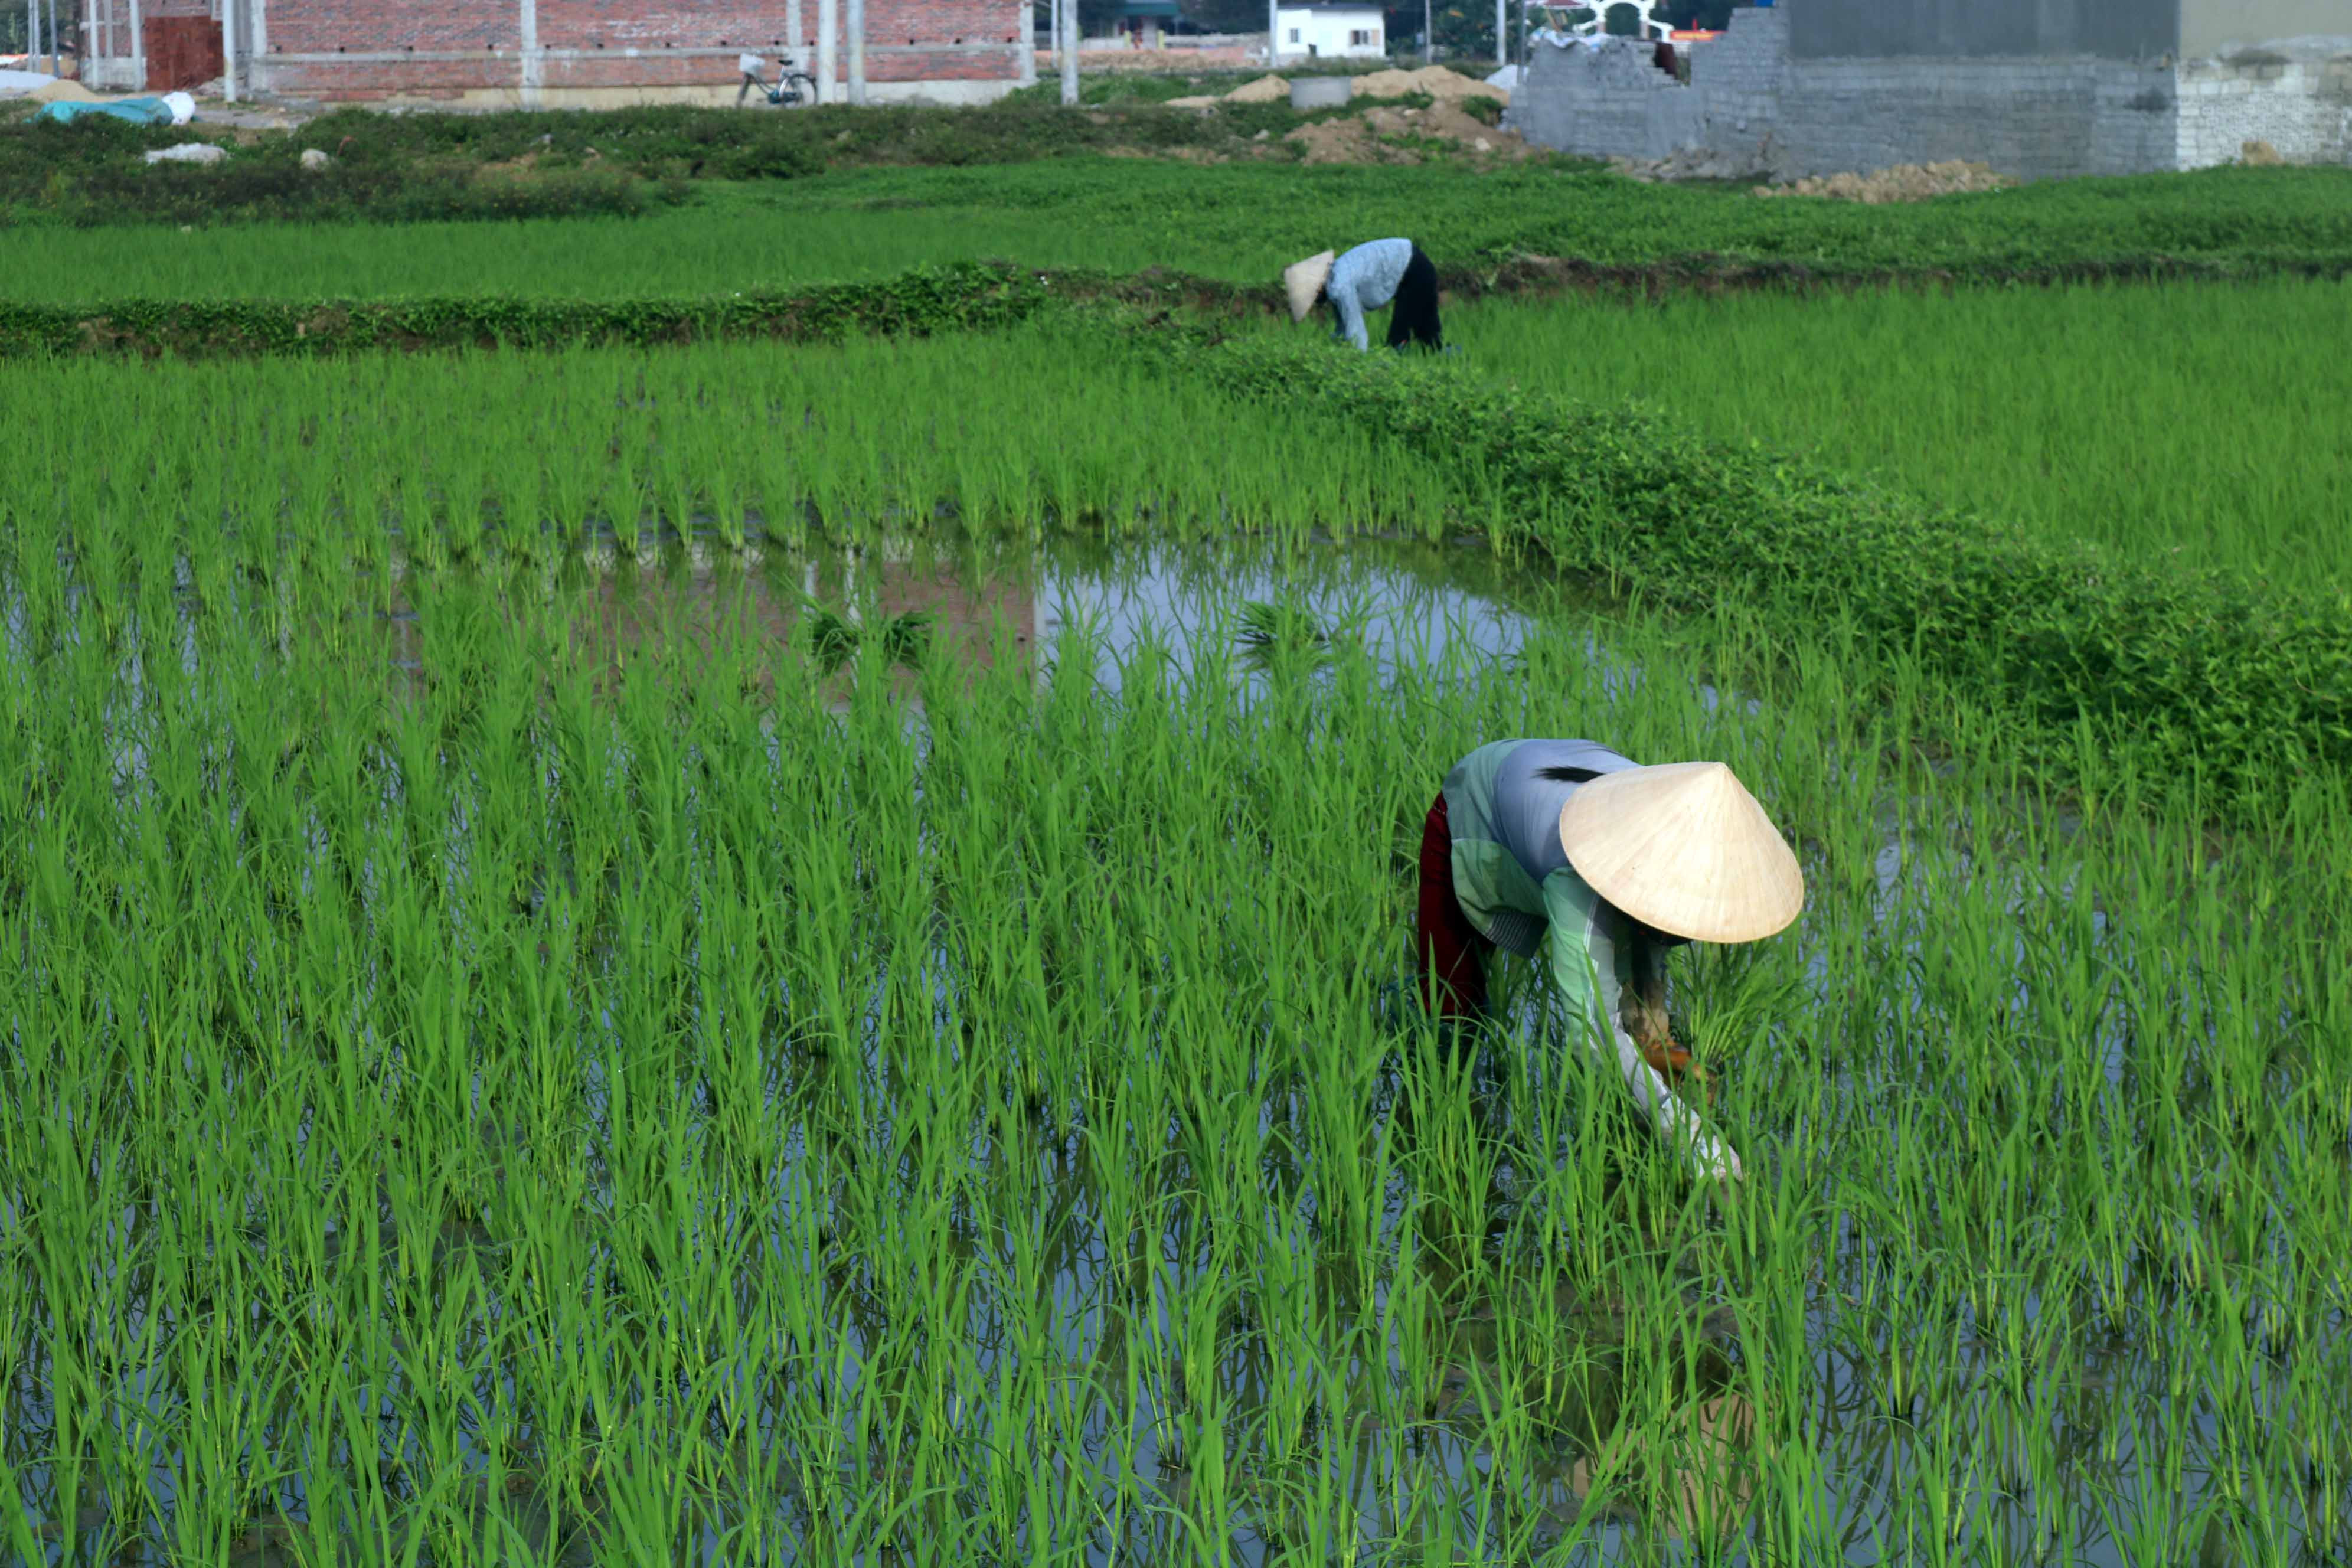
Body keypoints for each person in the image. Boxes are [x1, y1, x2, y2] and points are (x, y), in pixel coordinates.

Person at [1415, 739, 1805, 1182]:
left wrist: (1661, 1047)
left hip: (1547, 782)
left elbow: (1644, 978)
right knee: (1452, 1010)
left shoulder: (1675, 833)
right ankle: (1452, 1146)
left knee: (1639, 981)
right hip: (1471, 806)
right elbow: (1590, 1032)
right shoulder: (1576, 872)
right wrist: (1690, 1136)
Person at [1285, 239, 1445, 353]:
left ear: (1317, 289)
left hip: (1414, 268)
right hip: (1413, 263)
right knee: (1429, 339)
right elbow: (1343, 325)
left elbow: (1355, 328)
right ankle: (1446, 355)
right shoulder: (1335, 278)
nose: (1315, 302)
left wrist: (1359, 363)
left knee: (1398, 342)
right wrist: (1333, 348)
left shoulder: (1338, 286)